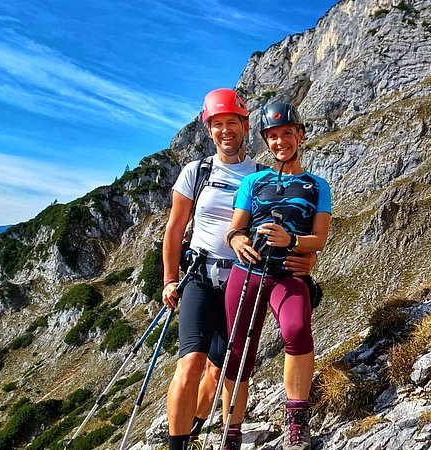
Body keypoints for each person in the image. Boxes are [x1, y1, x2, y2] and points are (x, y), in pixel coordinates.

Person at [161, 90, 315, 450]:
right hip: (200, 277)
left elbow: (292, 227)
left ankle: (195, 430)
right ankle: (176, 446)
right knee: (190, 362)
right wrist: (170, 280)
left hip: (246, 280)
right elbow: (174, 228)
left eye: (232, 123)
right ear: (209, 130)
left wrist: (307, 259)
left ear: (246, 127)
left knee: (219, 370)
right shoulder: (196, 172)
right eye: (217, 125)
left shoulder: (262, 176)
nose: (225, 131)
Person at [222, 102, 331, 450]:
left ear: (300, 135)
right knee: (238, 351)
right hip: (247, 271)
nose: (280, 141)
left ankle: (296, 420)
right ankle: (231, 432)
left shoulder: (317, 186)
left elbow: (320, 239)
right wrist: (237, 239)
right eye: (272, 136)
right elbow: (236, 228)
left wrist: (293, 241)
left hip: (289, 273)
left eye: (287, 133)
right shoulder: (253, 182)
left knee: (297, 329)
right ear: (265, 142)